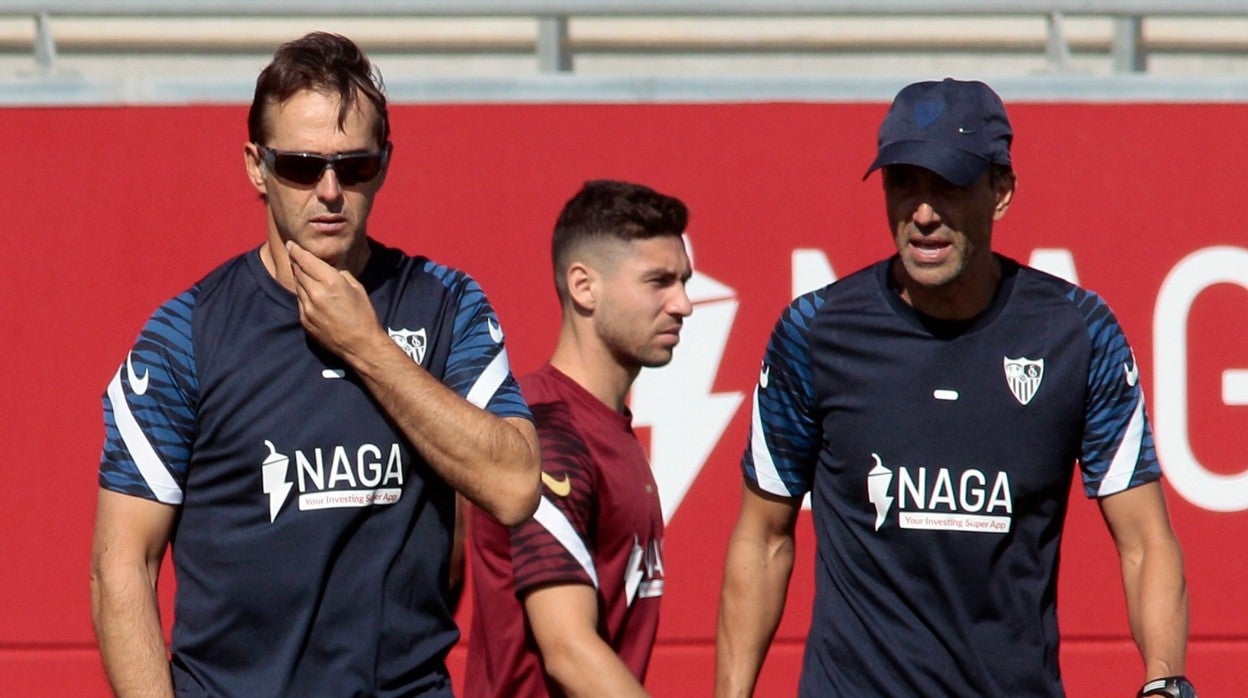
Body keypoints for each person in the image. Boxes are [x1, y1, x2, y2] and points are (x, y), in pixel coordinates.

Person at [89, 32, 540, 697]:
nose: (329, 190)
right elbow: (120, 565)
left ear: (383, 164)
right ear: (256, 166)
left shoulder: (446, 306)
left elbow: (513, 486)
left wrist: (368, 347)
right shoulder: (185, 335)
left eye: (352, 166)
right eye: (301, 166)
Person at [715, 78, 1195, 698]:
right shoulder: (815, 332)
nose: (922, 212)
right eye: (904, 183)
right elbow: (763, 536)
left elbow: (1145, 542)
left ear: (1001, 192)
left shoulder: (1078, 334)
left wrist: (1164, 680)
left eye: (948, 184)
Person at [465, 180, 693, 698]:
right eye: (659, 281)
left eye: (683, 281)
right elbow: (568, 651)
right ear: (584, 287)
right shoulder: (547, 433)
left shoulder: (607, 430)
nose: (683, 304)